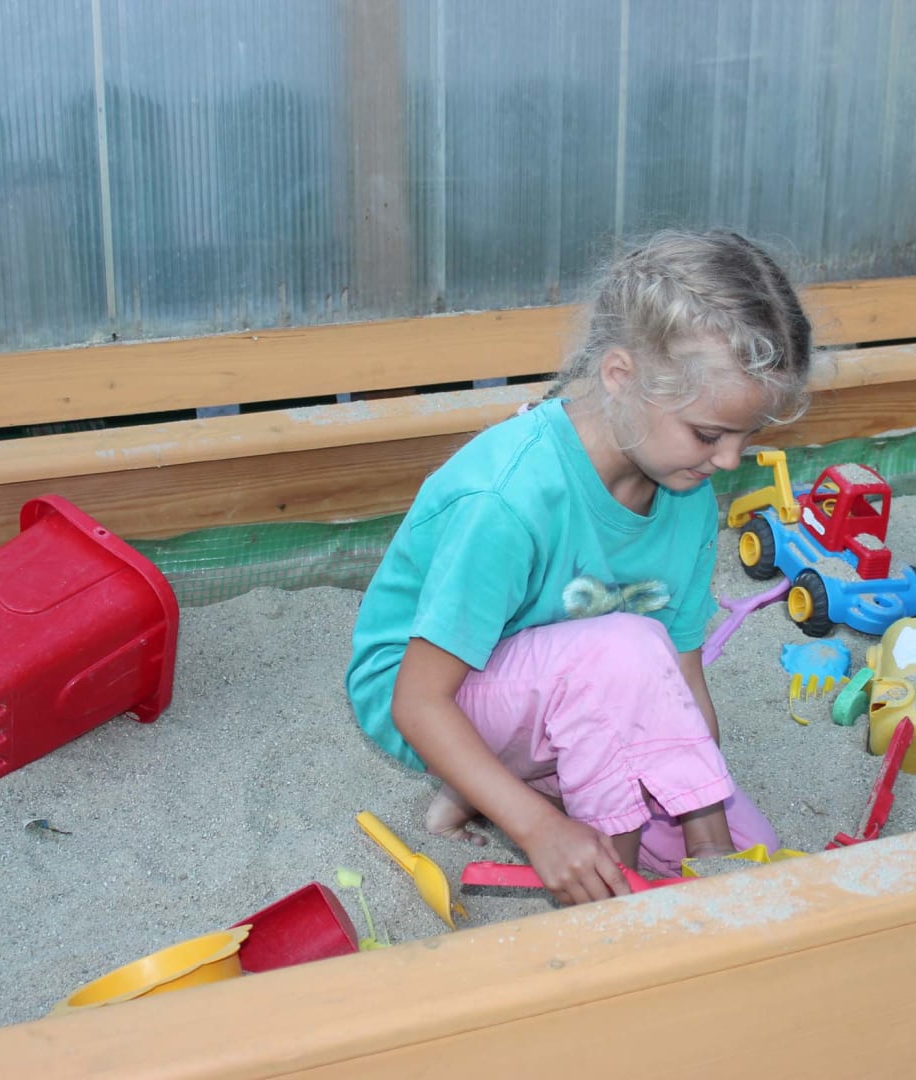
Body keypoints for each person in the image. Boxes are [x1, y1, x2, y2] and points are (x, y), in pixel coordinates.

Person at [345, 229, 813, 906]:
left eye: (749, 436)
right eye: (710, 434)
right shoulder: (509, 499)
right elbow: (417, 702)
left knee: (751, 845)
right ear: (620, 377)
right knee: (622, 657)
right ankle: (602, 905)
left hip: (579, 682)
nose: (729, 460)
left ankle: (503, 789)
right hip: (431, 694)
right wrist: (541, 831)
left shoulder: (685, 490)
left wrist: (709, 842)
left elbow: (680, 679)